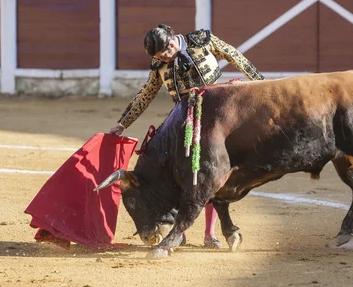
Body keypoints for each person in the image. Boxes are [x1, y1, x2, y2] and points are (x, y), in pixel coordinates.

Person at [108, 24, 264, 249]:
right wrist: (122, 123)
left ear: (171, 43)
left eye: (164, 54)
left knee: (210, 172)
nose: (164, 59)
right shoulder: (159, 64)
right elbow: (146, 94)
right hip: (186, 119)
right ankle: (178, 228)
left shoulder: (202, 41)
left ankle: (210, 234)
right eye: (159, 57)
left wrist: (260, 83)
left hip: (218, 115)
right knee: (179, 171)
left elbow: (235, 56)